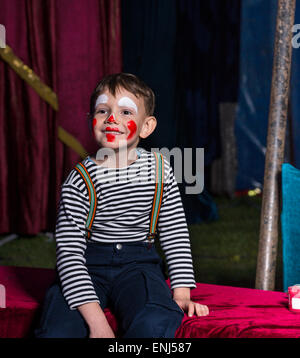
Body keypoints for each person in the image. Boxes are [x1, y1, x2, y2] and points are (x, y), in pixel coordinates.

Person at [34, 73, 209, 338]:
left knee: (155, 319)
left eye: (126, 111)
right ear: (91, 120)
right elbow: (69, 254)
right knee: (58, 328)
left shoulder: (160, 171)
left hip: (139, 264)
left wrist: (182, 291)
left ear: (146, 126)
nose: (112, 119)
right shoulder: (80, 180)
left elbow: (175, 231)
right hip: (86, 264)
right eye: (102, 110)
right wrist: (98, 324)